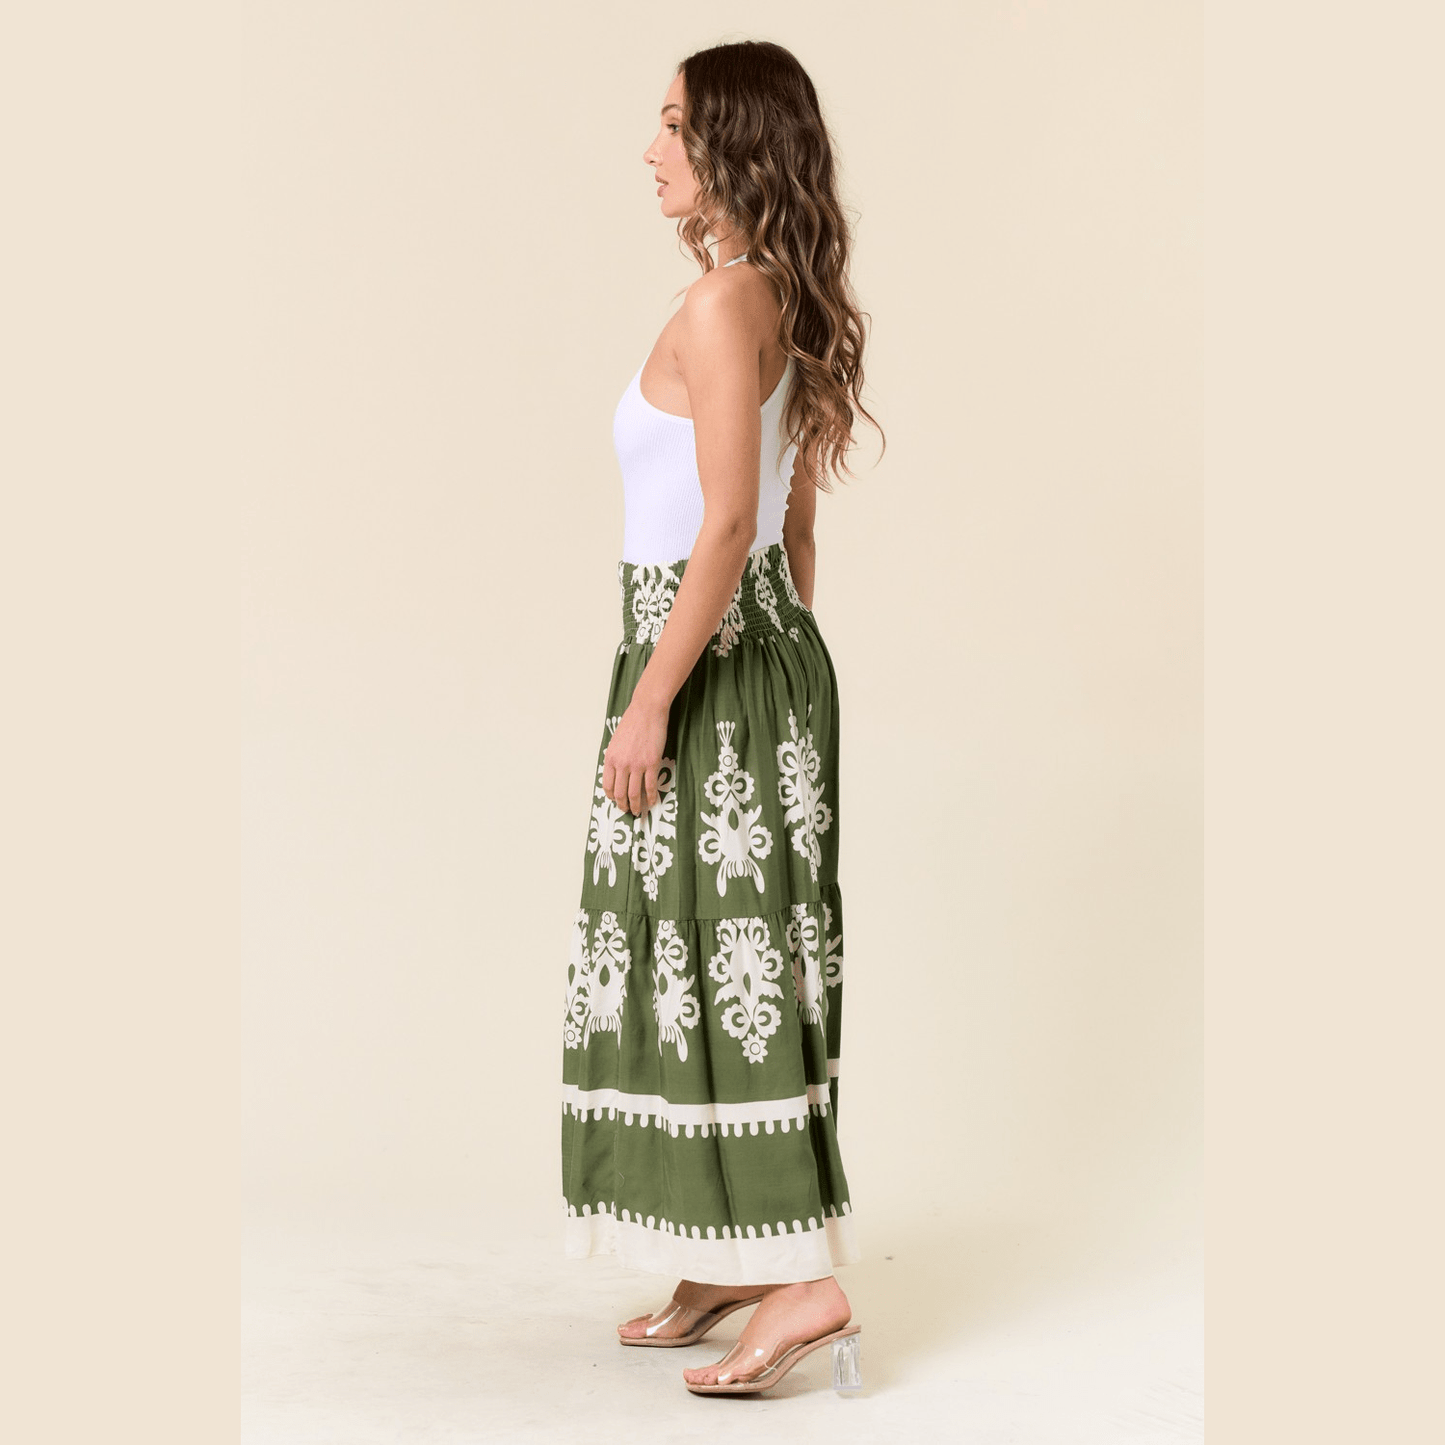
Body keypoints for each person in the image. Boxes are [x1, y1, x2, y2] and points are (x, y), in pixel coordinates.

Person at [560, 38, 883, 1397]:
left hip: (696, 660)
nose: (652, 150)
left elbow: (732, 523)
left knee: (719, 958)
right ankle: (734, 1252)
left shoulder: (717, 306)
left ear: (733, 146)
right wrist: (773, 676)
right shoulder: (779, 296)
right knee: (709, 959)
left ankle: (803, 1279)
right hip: (752, 660)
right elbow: (792, 540)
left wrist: (656, 700)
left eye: (673, 125)